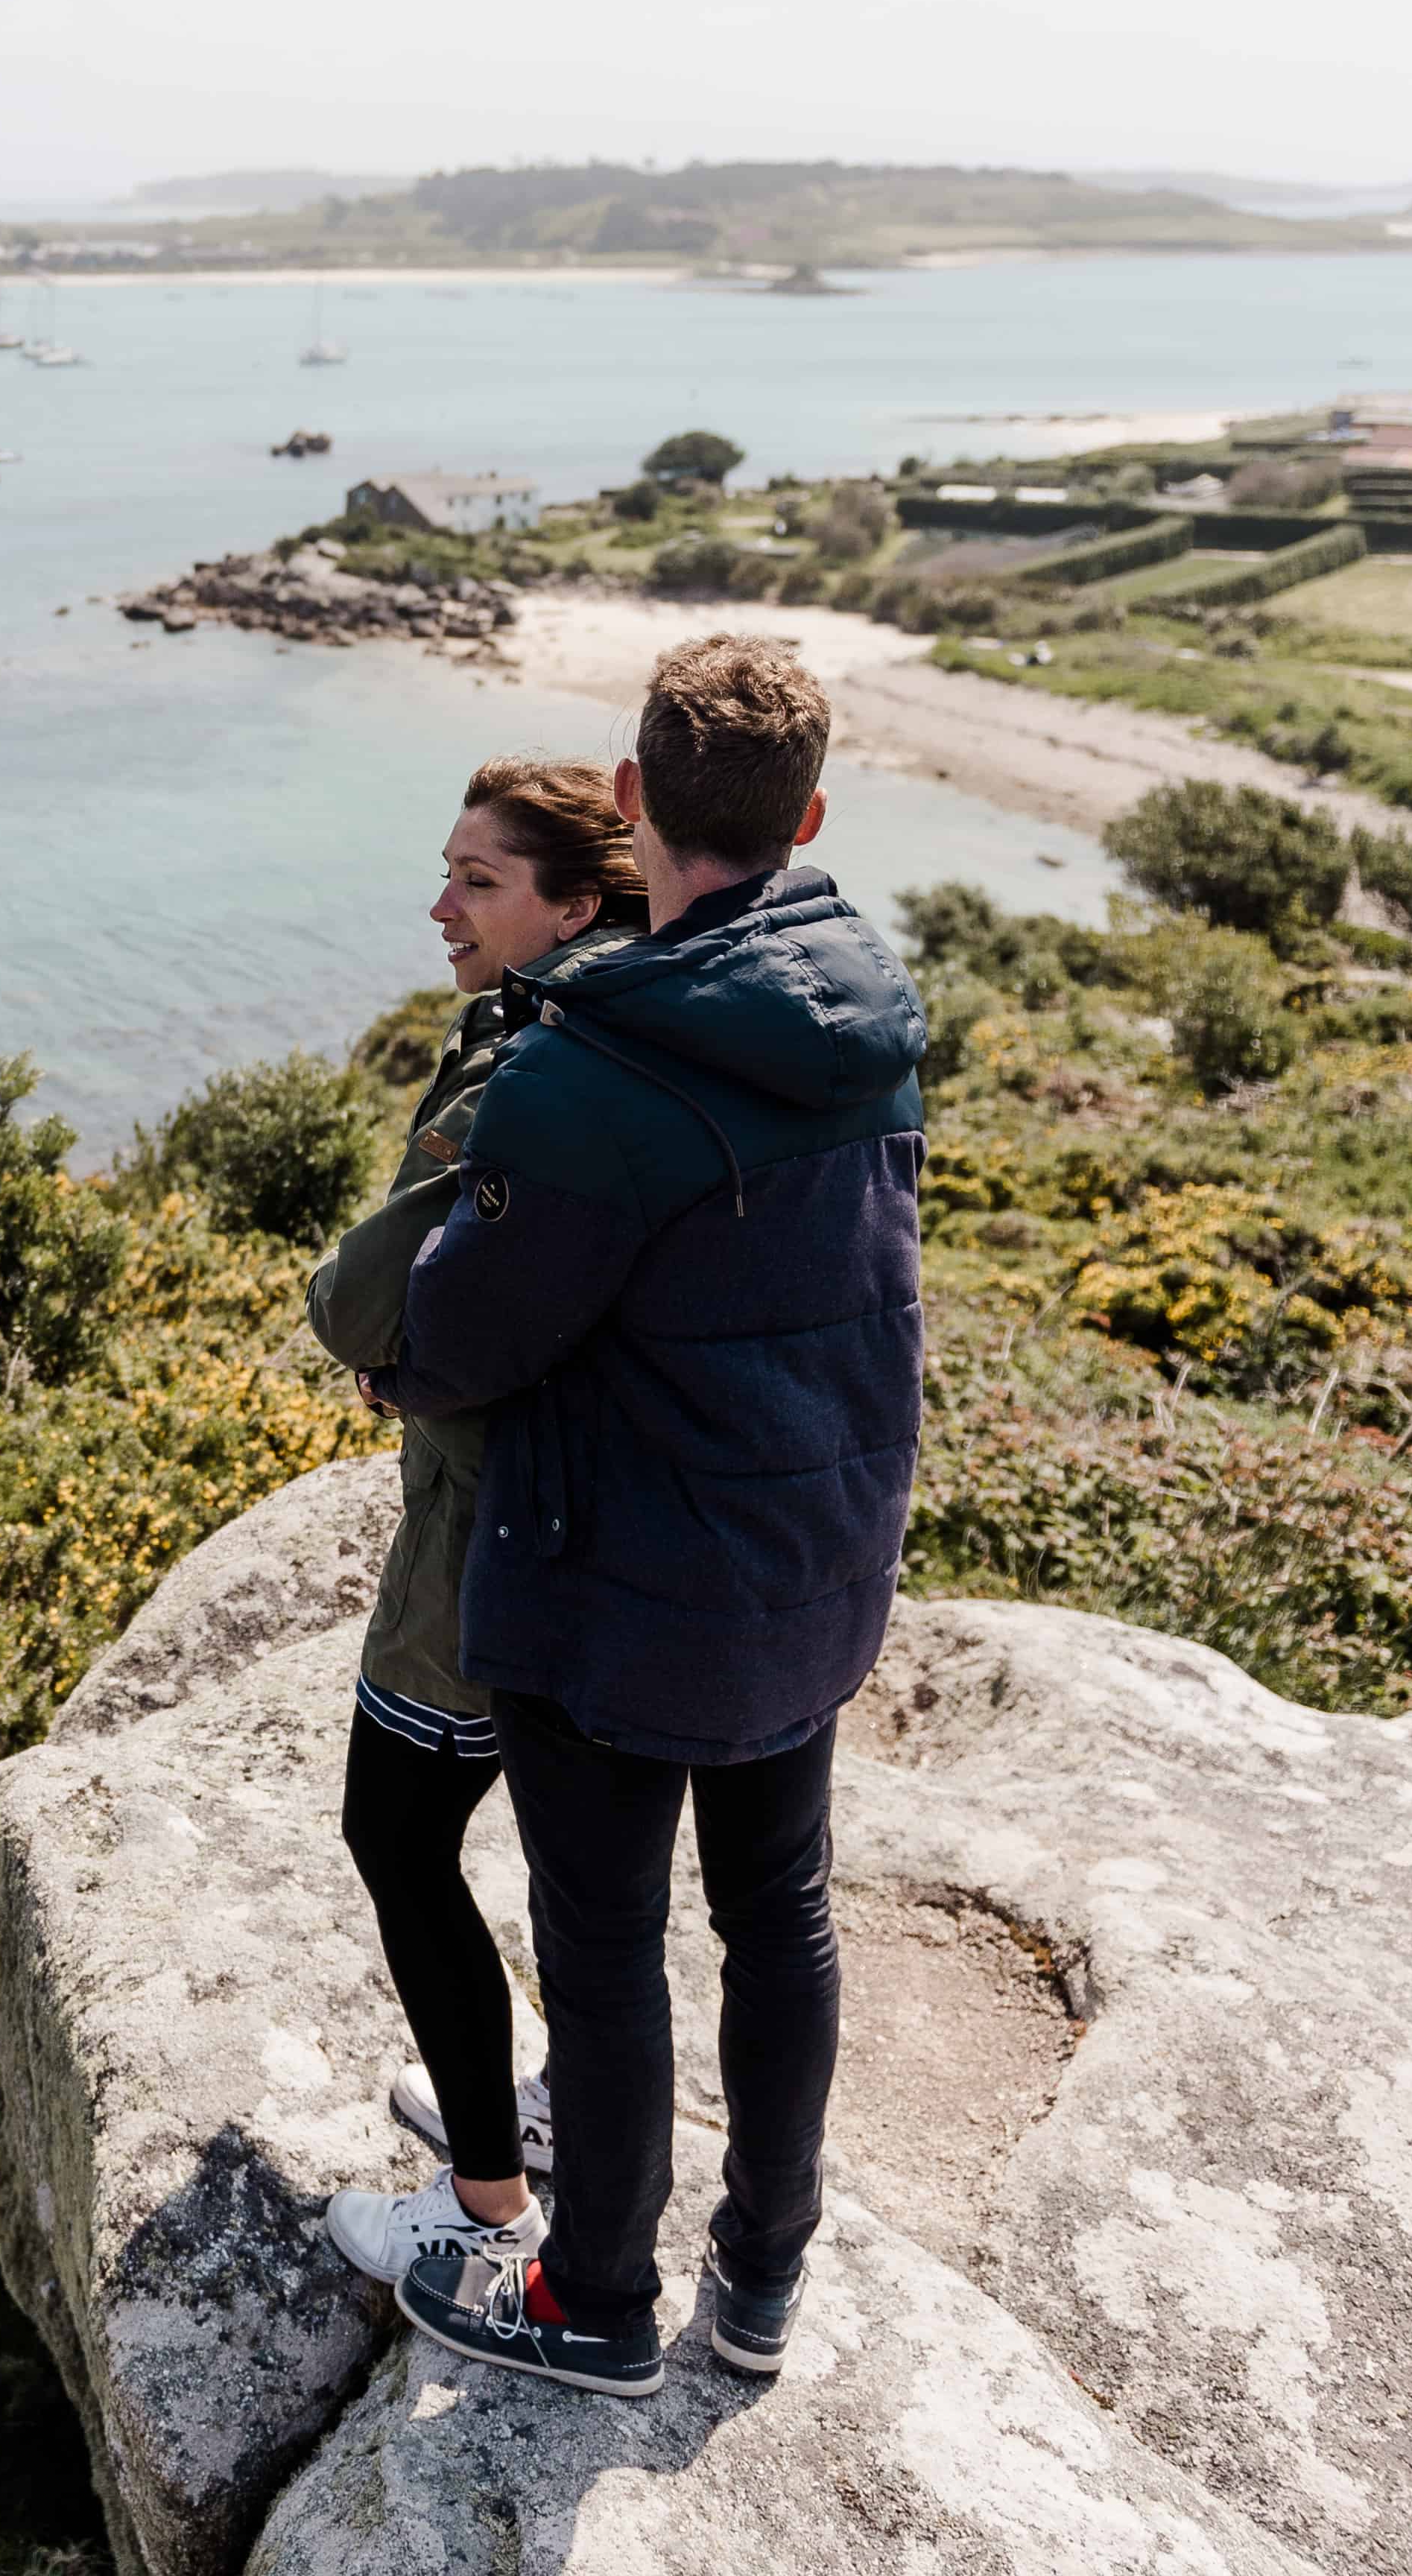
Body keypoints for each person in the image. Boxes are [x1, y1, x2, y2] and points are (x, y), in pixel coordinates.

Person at [373, 635, 928, 2399]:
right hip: (811, 1556)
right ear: (808, 816)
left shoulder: (579, 1071)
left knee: (599, 1945)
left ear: (629, 803)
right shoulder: (868, 1017)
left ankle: (594, 2298)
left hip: (610, 1583)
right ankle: (758, 2281)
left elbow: (450, 1344)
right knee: (781, 1916)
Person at [301, 760, 641, 2289]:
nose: (440, 907)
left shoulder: (528, 1056)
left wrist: (391, 1359)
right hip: (609, 1513)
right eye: (444, 872)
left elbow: (358, 1298)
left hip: (481, 1530)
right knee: (575, 1852)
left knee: (396, 1830)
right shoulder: (645, 1015)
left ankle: (483, 2198)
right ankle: (546, 2108)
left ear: (573, 902)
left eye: (478, 882)